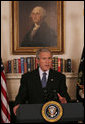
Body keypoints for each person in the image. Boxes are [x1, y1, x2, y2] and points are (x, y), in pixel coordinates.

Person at [13, 48, 70, 115]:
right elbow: (21, 96)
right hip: (33, 113)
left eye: (49, 58)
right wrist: (17, 105)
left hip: (53, 114)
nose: (47, 62)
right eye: (44, 59)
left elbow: (65, 96)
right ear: (37, 61)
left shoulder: (60, 77)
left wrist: (64, 100)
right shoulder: (27, 77)